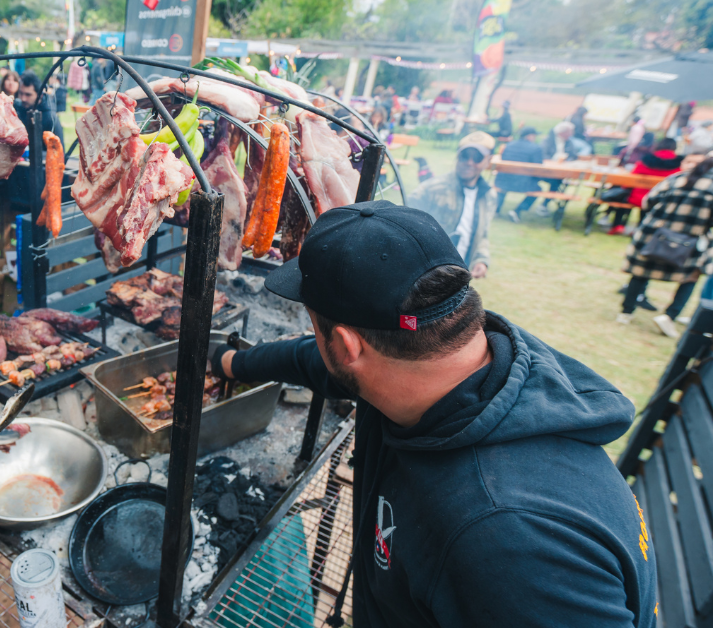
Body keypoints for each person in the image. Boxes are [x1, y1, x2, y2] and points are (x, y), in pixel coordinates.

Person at [208, 201, 655, 628]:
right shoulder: (460, 360)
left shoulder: (504, 541)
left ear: (347, 346)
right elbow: (320, 361)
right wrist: (230, 363)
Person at [617, 156, 713, 337]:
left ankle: (626, 312)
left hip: (655, 235)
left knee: (641, 272)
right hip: (690, 242)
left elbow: (648, 201)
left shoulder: (678, 178)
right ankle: (670, 316)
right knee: (689, 278)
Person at [406, 131, 497, 279]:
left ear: (488, 160)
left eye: (478, 158)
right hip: (426, 273)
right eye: (465, 156)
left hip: (461, 272)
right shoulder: (432, 188)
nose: (469, 162)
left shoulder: (489, 196)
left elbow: (483, 234)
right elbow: (403, 220)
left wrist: (481, 260)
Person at [608, 137, 684, 235]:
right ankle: (639, 229)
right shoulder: (679, 164)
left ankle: (618, 225)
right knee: (648, 203)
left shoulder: (646, 160)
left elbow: (631, 180)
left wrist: (625, 188)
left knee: (625, 197)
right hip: (660, 199)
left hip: (637, 197)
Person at [492, 127, 543, 222]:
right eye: (534, 135)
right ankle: (518, 210)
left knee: (503, 186)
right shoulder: (536, 148)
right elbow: (538, 169)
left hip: (502, 181)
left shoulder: (508, 145)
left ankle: (496, 209)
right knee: (538, 189)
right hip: (522, 184)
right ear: (529, 136)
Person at [16, 71, 63, 149]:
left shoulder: (50, 117)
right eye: (21, 93)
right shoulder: (19, 108)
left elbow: (59, 151)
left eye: (28, 95)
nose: (23, 99)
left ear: (40, 95)